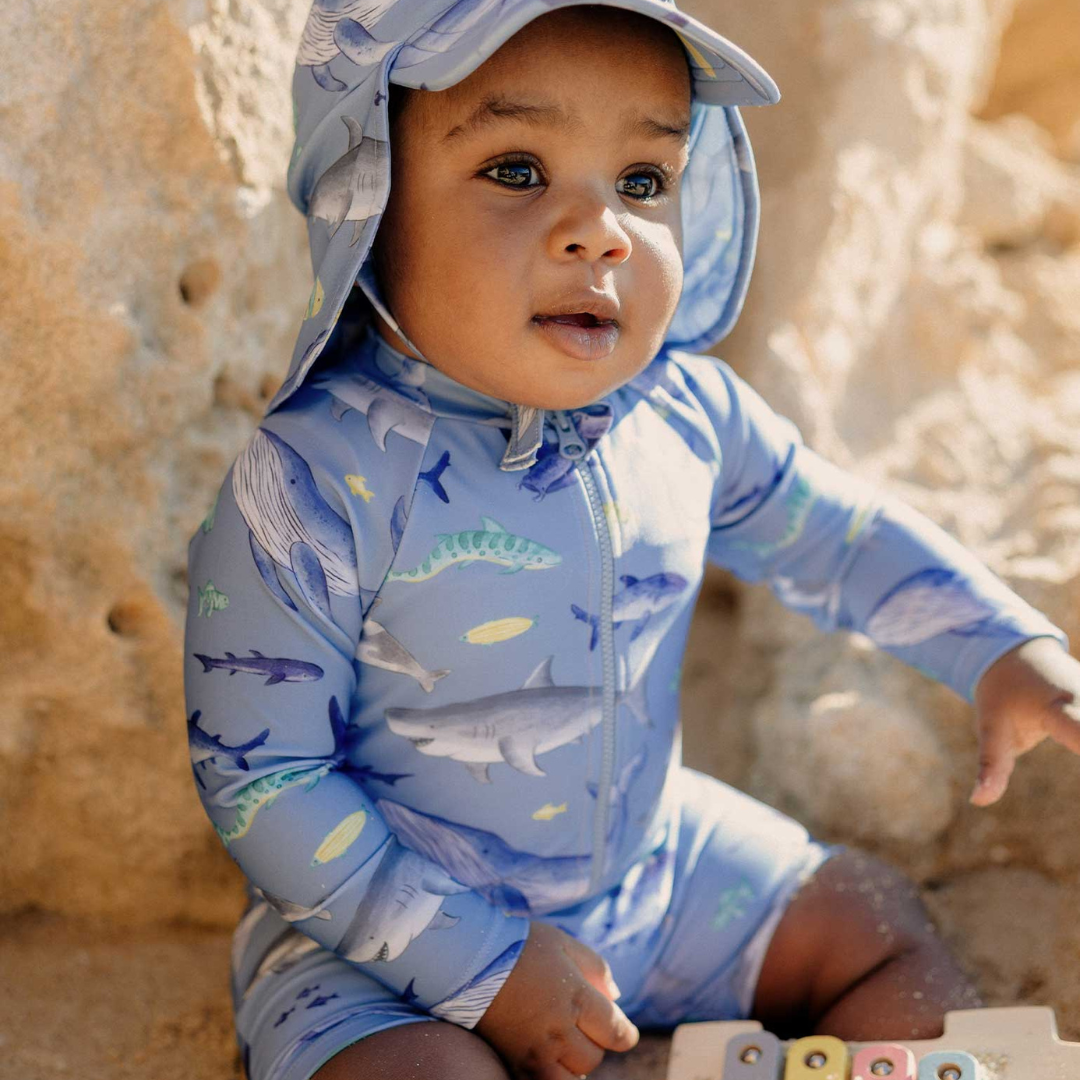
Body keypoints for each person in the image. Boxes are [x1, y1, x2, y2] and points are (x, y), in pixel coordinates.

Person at [182, 4, 1080, 1079]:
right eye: (517, 169)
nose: (600, 227)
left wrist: (994, 645)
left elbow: (837, 537)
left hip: (660, 876)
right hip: (385, 938)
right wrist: (485, 966)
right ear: (367, 205)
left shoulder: (686, 413)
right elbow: (264, 777)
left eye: (644, 181)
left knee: (870, 917)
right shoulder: (310, 482)